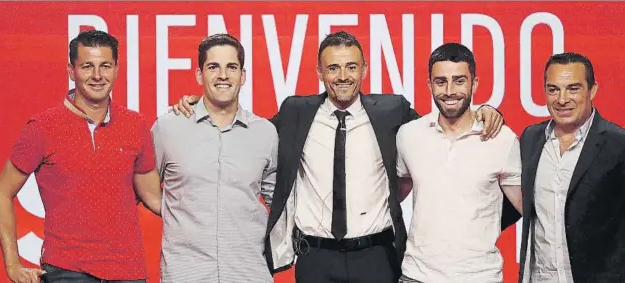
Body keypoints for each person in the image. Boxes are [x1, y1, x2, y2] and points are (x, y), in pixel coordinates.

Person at [171, 31, 505, 283]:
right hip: (315, 257)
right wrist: (200, 103)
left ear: (364, 70)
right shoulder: (295, 112)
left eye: (350, 67)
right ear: (319, 71)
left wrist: (483, 111)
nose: (342, 76)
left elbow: (443, 129)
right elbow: (246, 133)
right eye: (333, 67)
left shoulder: (393, 111)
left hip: (377, 256)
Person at [0, 30, 161, 283]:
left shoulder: (135, 125)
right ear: (71, 70)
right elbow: (1, 193)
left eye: (105, 66)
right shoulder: (42, 127)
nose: (97, 76)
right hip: (66, 271)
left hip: (128, 271)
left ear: (116, 69)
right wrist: (13, 265)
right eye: (87, 66)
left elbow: (154, 198)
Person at [516, 52, 625, 283]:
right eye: (553, 89)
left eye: (573, 88)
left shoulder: (623, 145)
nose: (562, 99)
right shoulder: (530, 139)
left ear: (592, 90)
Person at [152, 34, 277, 283]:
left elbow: (278, 203)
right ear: (199, 75)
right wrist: (176, 210)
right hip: (186, 274)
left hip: (248, 273)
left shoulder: (265, 132)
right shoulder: (168, 127)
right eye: (213, 67)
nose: (223, 75)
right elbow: (143, 186)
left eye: (231, 67)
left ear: (243, 75)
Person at [395, 43, 523, 283]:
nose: (450, 90)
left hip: (479, 277)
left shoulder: (502, 138)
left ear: (474, 84)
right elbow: (395, 194)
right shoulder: (409, 135)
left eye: (459, 81)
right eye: (441, 81)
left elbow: (527, 208)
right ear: (429, 84)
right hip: (417, 276)